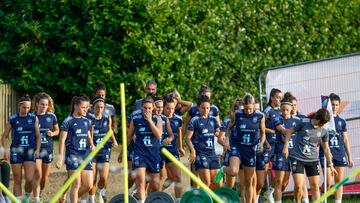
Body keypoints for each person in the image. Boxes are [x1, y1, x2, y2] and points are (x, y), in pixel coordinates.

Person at [215, 94, 266, 203]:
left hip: (251, 150)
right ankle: (223, 169)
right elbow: (229, 127)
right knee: (233, 171)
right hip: (237, 147)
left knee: (248, 182)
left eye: (250, 109)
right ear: (243, 106)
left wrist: (261, 143)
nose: (248, 111)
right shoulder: (237, 114)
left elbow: (263, 133)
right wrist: (227, 141)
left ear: (253, 106)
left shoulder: (260, 116)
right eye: (246, 109)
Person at [282, 108, 338, 203]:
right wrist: (285, 147)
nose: (322, 125)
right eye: (322, 123)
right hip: (297, 157)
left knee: (315, 186)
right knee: (299, 186)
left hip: (312, 160)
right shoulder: (303, 122)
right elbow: (289, 132)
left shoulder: (324, 130)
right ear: (317, 119)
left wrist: (331, 165)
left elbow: (326, 149)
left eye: (324, 124)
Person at [1, 94, 41, 203]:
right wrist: (5, 151)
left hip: (30, 151)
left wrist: (37, 150)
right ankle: (17, 201)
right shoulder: (13, 119)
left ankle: (27, 196)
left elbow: (38, 136)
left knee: (29, 178)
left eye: (28, 108)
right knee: (17, 179)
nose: (26, 110)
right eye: (24, 107)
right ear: (19, 106)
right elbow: (4, 136)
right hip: (16, 151)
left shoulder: (33, 118)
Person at [55, 95, 95, 203]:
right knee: (76, 183)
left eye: (87, 107)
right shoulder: (68, 121)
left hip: (85, 155)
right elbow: (62, 140)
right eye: (83, 107)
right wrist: (60, 157)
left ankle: (68, 198)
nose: (86, 109)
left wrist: (91, 144)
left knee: (88, 185)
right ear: (76, 106)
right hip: (72, 155)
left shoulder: (87, 121)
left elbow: (88, 136)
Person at [183, 86, 221, 187]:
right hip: (200, 154)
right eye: (203, 108)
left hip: (212, 154)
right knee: (206, 183)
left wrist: (225, 142)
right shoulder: (195, 120)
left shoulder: (213, 120)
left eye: (207, 108)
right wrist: (193, 151)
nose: (205, 110)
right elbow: (187, 138)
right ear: (199, 108)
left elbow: (218, 133)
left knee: (218, 182)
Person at [319, 93, 354, 203]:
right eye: (332, 105)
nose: (334, 107)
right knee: (328, 182)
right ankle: (322, 195)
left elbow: (345, 139)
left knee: (339, 181)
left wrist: (349, 157)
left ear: (339, 106)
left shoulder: (341, 121)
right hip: (326, 153)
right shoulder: (324, 120)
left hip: (339, 153)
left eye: (336, 105)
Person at [128, 96, 163, 203]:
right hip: (140, 153)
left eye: (149, 108)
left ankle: (150, 200)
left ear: (153, 108)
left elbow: (158, 134)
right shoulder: (136, 119)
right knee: (140, 180)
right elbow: (129, 137)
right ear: (141, 108)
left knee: (155, 186)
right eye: (145, 108)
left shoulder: (157, 119)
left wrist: (150, 121)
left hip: (153, 154)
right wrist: (122, 152)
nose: (147, 110)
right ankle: (141, 201)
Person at [87, 96, 118, 203]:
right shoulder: (90, 119)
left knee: (104, 178)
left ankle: (100, 192)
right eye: (97, 107)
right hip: (93, 151)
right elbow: (89, 135)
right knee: (93, 178)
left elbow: (109, 130)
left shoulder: (106, 118)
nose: (99, 109)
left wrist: (114, 140)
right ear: (93, 107)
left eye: (101, 107)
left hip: (105, 149)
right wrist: (91, 144)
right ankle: (91, 199)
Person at [32, 93, 59, 203]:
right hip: (36, 149)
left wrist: (52, 133)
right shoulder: (32, 117)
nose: (44, 107)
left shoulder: (51, 116)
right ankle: (36, 198)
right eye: (42, 104)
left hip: (48, 149)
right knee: (37, 173)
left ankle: (41, 191)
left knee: (44, 177)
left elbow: (58, 131)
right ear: (37, 104)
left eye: (46, 105)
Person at [257, 88, 282, 203]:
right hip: (268, 145)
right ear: (272, 97)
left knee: (280, 176)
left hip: (278, 146)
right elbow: (259, 125)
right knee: (263, 176)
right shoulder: (267, 110)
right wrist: (270, 131)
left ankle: (270, 192)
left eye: (281, 98)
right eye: (277, 97)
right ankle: (256, 198)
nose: (279, 100)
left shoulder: (282, 110)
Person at [162, 96, 185, 203]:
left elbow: (179, 133)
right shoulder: (158, 118)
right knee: (155, 178)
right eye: (168, 108)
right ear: (163, 107)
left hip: (172, 151)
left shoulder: (178, 119)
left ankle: (178, 200)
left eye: (172, 108)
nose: (170, 111)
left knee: (176, 177)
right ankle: (151, 197)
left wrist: (180, 147)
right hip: (159, 151)